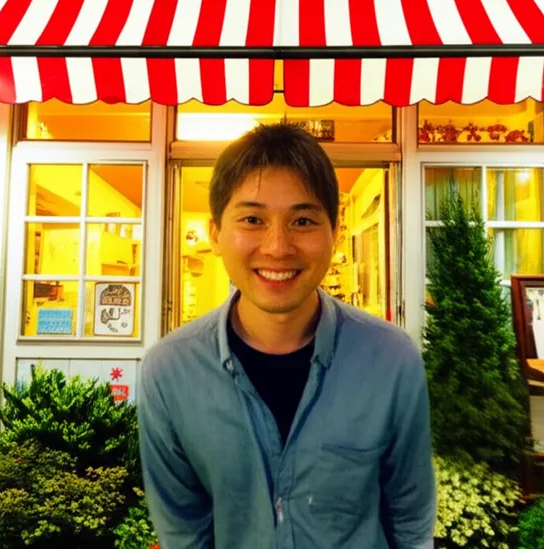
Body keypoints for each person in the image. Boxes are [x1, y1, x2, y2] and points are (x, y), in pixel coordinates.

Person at [138, 123, 436, 549]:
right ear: (215, 233)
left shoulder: (391, 359)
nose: (277, 247)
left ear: (335, 231)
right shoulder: (170, 372)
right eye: (252, 220)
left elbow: (411, 520)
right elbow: (184, 531)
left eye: (302, 220)